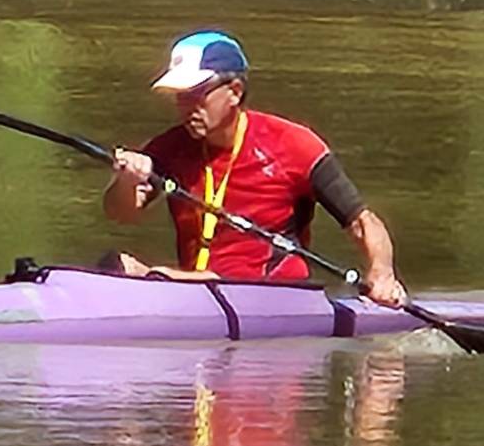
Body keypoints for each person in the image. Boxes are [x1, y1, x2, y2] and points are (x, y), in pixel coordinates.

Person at [103, 30, 407, 307]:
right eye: (181, 97)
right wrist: (127, 181)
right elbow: (121, 213)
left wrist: (381, 273)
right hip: (198, 288)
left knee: (158, 277)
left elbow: (361, 221)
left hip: (272, 295)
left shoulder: (294, 145)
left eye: (197, 94)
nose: (186, 107)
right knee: (116, 265)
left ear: (234, 91)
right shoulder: (170, 147)